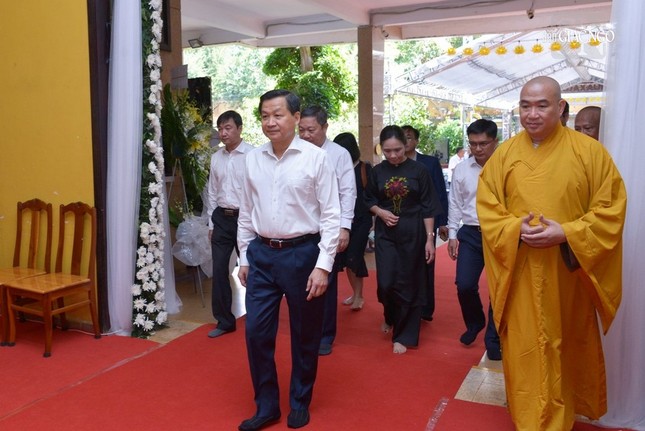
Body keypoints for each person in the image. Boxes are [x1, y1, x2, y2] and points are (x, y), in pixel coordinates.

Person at [477, 76, 626, 431]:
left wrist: (567, 232)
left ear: (560, 108)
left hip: (567, 272)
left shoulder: (590, 153)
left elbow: (611, 209)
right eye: (525, 105)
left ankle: (562, 416)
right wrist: (514, 229)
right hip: (521, 272)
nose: (532, 114)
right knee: (526, 348)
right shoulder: (504, 155)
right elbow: (488, 207)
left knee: (565, 344)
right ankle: (530, 420)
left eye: (542, 105)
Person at [237, 90, 340, 431]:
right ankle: (267, 406)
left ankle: (299, 401)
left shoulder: (316, 159)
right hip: (262, 255)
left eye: (278, 115)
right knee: (256, 332)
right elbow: (246, 210)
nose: (270, 122)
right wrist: (244, 256)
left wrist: (323, 266)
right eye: (265, 116)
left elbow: (331, 215)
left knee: (305, 334)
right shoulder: (252, 159)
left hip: (303, 254)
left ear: (296, 118)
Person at [365, 125, 441, 354]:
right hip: (386, 234)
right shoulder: (377, 172)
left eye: (397, 150)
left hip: (414, 232)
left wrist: (430, 239)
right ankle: (390, 315)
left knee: (409, 283)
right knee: (386, 282)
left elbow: (428, 206)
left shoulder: (419, 170)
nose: (393, 155)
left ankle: (403, 335)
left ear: (405, 145)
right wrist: (380, 212)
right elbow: (368, 200)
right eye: (387, 151)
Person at [299, 106, 356, 356]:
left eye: (311, 130)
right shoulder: (295, 152)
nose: (306, 135)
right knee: (301, 280)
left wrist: (344, 227)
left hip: (328, 228)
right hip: (302, 229)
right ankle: (306, 330)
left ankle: (325, 335)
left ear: (325, 127)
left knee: (326, 280)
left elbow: (348, 192)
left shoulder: (339, 154)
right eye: (301, 130)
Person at [446, 119, 500, 360]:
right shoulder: (462, 169)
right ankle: (475, 321)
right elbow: (455, 203)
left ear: (495, 142)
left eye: (483, 143)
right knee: (465, 284)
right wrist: (452, 234)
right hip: (470, 233)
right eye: (473, 144)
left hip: (500, 234)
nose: (478, 149)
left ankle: (494, 339)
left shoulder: (506, 166)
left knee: (499, 289)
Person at [205, 110, 254, 338]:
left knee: (251, 268)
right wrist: (211, 223)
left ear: (239, 128)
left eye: (228, 128)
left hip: (246, 219)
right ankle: (224, 320)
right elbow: (212, 191)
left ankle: (256, 316)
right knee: (219, 269)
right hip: (221, 219)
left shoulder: (253, 155)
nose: (223, 133)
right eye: (220, 129)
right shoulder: (216, 157)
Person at [401, 125, 448, 321]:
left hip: (427, 220)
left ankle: (426, 308)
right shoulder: (393, 164)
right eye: (402, 137)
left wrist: (443, 222)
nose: (405, 141)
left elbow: (440, 192)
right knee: (404, 266)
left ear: (416, 141)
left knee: (426, 264)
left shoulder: (429, 163)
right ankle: (406, 305)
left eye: (409, 137)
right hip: (402, 222)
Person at [333, 132, 372, 311]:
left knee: (354, 256)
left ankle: (359, 296)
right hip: (342, 222)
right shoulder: (336, 169)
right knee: (347, 259)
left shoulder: (364, 169)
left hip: (361, 221)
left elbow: (372, 196)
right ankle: (355, 294)